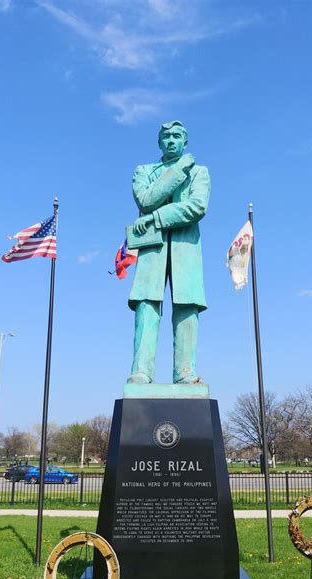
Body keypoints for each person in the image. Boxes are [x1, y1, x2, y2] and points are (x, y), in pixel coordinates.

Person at [127, 121, 211, 384]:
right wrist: (178, 170)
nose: (172, 140)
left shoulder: (199, 172)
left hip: (186, 248)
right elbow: (146, 200)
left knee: (187, 306)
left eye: (177, 136)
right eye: (166, 137)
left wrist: (155, 218)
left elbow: (196, 207)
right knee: (146, 304)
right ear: (159, 142)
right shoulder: (144, 171)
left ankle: (185, 373)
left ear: (185, 141)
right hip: (152, 248)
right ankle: (141, 371)